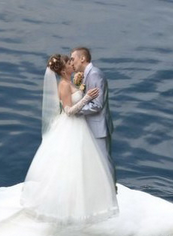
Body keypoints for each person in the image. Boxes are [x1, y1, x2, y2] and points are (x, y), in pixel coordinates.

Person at [19, 54, 119, 224]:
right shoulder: (64, 85)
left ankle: (82, 201)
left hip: (79, 126)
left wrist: (81, 88)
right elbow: (68, 111)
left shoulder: (70, 81)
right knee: (70, 165)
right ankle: (68, 207)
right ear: (63, 68)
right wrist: (87, 97)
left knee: (81, 165)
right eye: (69, 62)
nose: (72, 64)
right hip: (71, 125)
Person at [70, 47, 116, 185]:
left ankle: (111, 191)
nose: (72, 62)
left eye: (73, 59)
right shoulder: (87, 74)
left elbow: (97, 105)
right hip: (91, 126)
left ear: (82, 58)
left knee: (104, 161)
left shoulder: (94, 74)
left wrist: (76, 110)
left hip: (98, 127)